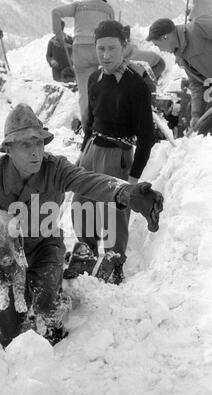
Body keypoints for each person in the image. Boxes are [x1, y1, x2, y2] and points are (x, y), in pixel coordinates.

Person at [0, 103, 163, 347]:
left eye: (39, 143)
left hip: (44, 246)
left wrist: (126, 193)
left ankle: (55, 326)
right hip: (6, 255)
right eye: (25, 145)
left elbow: (88, 181)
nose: (35, 152)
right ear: (8, 149)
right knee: (8, 330)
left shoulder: (55, 168)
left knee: (46, 306)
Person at [71, 20, 155, 285]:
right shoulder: (95, 79)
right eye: (101, 48)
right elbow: (90, 120)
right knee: (81, 203)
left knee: (114, 211)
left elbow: (147, 137)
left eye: (112, 49)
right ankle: (85, 252)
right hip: (92, 150)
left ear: (124, 48)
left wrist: (133, 177)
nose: (106, 55)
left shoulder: (136, 85)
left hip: (117, 155)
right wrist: (83, 152)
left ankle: (113, 262)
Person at [52, 0, 115, 127]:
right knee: (108, 86)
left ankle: (88, 129)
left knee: (85, 93)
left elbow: (56, 12)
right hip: (102, 48)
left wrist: (58, 34)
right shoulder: (107, 8)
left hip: (81, 49)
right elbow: (114, 33)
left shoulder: (78, 6)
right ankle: (107, 125)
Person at [146, 17, 212, 134]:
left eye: (157, 45)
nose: (160, 50)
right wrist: (196, 114)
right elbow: (196, 84)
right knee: (204, 131)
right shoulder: (182, 57)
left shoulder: (198, 27)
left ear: (165, 37)